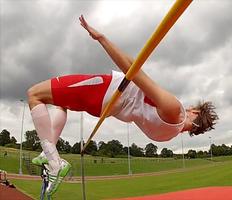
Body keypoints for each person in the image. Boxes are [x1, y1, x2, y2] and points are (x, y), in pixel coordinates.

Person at [27, 15, 218, 196]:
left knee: (34, 94)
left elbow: (132, 69)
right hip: (106, 106)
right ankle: (48, 152)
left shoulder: (174, 109)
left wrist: (101, 38)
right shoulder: (167, 136)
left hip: (104, 91)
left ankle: (54, 162)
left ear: (195, 111)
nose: (188, 106)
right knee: (60, 105)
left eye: (192, 107)